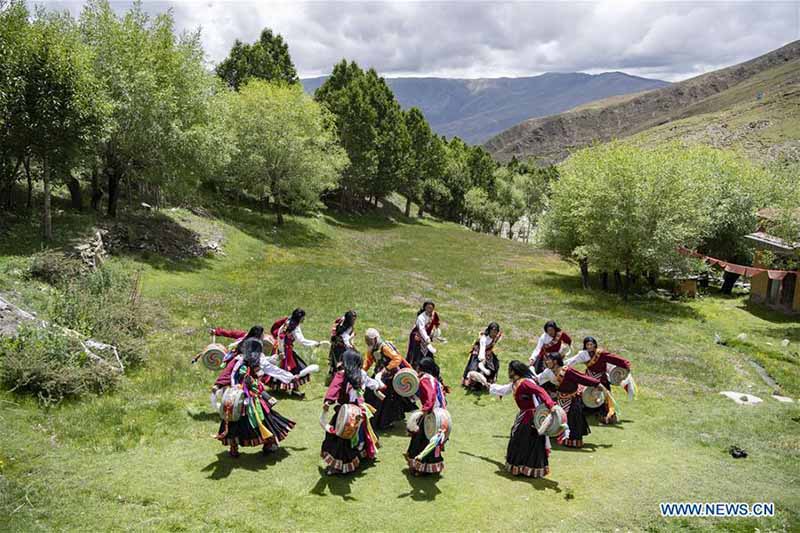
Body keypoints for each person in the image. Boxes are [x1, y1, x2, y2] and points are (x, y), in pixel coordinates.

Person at [215, 339, 296, 457]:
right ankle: (264, 444)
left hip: (244, 397)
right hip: (243, 398)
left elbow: (263, 371)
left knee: (242, 421)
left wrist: (286, 375)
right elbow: (234, 376)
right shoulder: (241, 362)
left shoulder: (246, 361)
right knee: (258, 420)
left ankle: (239, 447)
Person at [320, 349, 384, 475]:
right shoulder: (361, 374)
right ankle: (359, 454)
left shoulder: (342, 374)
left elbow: (334, 388)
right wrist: (378, 386)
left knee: (339, 438)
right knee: (358, 435)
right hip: (359, 411)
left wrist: (328, 401)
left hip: (346, 414)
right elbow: (372, 384)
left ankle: (339, 466)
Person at [489, 361, 557, 478]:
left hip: (531, 416)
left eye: (510, 370)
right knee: (519, 439)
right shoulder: (515, 384)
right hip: (523, 415)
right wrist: (488, 385)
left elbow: (540, 391)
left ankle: (527, 467)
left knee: (525, 440)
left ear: (515, 371)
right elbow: (503, 390)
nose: (508, 372)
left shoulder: (526, 383)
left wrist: (551, 405)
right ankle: (520, 466)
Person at [536, 353, 607, 448]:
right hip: (561, 398)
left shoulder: (567, 371)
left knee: (573, 420)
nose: (546, 362)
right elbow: (538, 380)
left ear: (555, 361)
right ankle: (557, 436)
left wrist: (597, 384)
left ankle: (572, 441)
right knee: (558, 419)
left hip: (573, 399)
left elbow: (582, 378)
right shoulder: (548, 372)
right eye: (546, 360)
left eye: (548, 360)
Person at [566, 336, 633, 424]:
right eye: (587, 345)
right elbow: (572, 361)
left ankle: (607, 415)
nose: (589, 346)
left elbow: (614, 358)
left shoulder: (601, 353)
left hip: (601, 380)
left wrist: (626, 364)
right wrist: (562, 366)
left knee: (605, 398)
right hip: (588, 379)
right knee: (581, 395)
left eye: (591, 344)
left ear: (595, 345)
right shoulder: (583, 354)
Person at [363, 328, 415, 429]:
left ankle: (383, 423)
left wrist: (386, 369)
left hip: (389, 377)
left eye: (370, 340)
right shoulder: (371, 348)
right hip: (378, 376)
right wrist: (362, 371)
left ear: (375, 339)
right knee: (369, 395)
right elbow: (368, 361)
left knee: (386, 401)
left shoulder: (384, 347)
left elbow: (397, 359)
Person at [406, 357, 449, 475]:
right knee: (431, 440)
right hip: (440, 414)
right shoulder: (434, 379)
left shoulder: (425, 379)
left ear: (421, 368)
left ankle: (420, 468)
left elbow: (430, 397)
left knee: (421, 440)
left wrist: (424, 411)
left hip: (432, 414)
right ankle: (429, 467)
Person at [268, 309, 325, 397]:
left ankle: (280, 388)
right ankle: (293, 389)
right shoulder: (295, 327)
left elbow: (280, 335)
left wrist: (281, 349)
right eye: (303, 317)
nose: (304, 319)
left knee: (288, 368)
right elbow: (302, 341)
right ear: (299, 318)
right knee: (297, 369)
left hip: (282, 349)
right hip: (286, 352)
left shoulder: (288, 322)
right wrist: (315, 343)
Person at [462, 322, 502, 391]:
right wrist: (482, 361)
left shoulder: (496, 336)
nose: (494, 334)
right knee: (475, 368)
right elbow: (482, 351)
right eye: (492, 332)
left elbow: (496, 340)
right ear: (489, 331)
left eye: (495, 332)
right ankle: (473, 385)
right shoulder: (484, 339)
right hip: (479, 353)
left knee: (495, 364)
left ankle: (488, 382)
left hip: (488, 352)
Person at [406, 301, 441, 368]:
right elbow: (421, 329)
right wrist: (426, 338)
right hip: (418, 336)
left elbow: (436, 324)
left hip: (427, 337)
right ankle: (414, 367)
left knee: (428, 354)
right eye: (428, 308)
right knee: (416, 354)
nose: (429, 310)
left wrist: (435, 333)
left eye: (431, 308)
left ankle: (430, 367)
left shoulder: (434, 315)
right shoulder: (421, 317)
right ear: (425, 308)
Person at [328, 310, 357, 378]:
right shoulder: (347, 327)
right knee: (341, 364)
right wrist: (352, 347)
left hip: (335, 345)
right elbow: (346, 339)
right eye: (353, 320)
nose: (354, 321)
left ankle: (334, 378)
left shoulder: (342, 321)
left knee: (336, 364)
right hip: (340, 347)